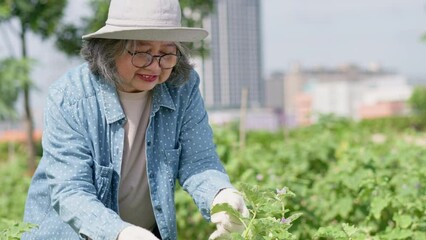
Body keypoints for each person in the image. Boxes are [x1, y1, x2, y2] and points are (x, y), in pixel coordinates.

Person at [22, 0, 249, 239]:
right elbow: (70, 190)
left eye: (166, 53)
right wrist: (120, 233)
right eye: (142, 52)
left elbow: (199, 161)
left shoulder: (183, 87)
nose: (155, 66)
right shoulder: (70, 96)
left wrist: (221, 195)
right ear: (111, 48)